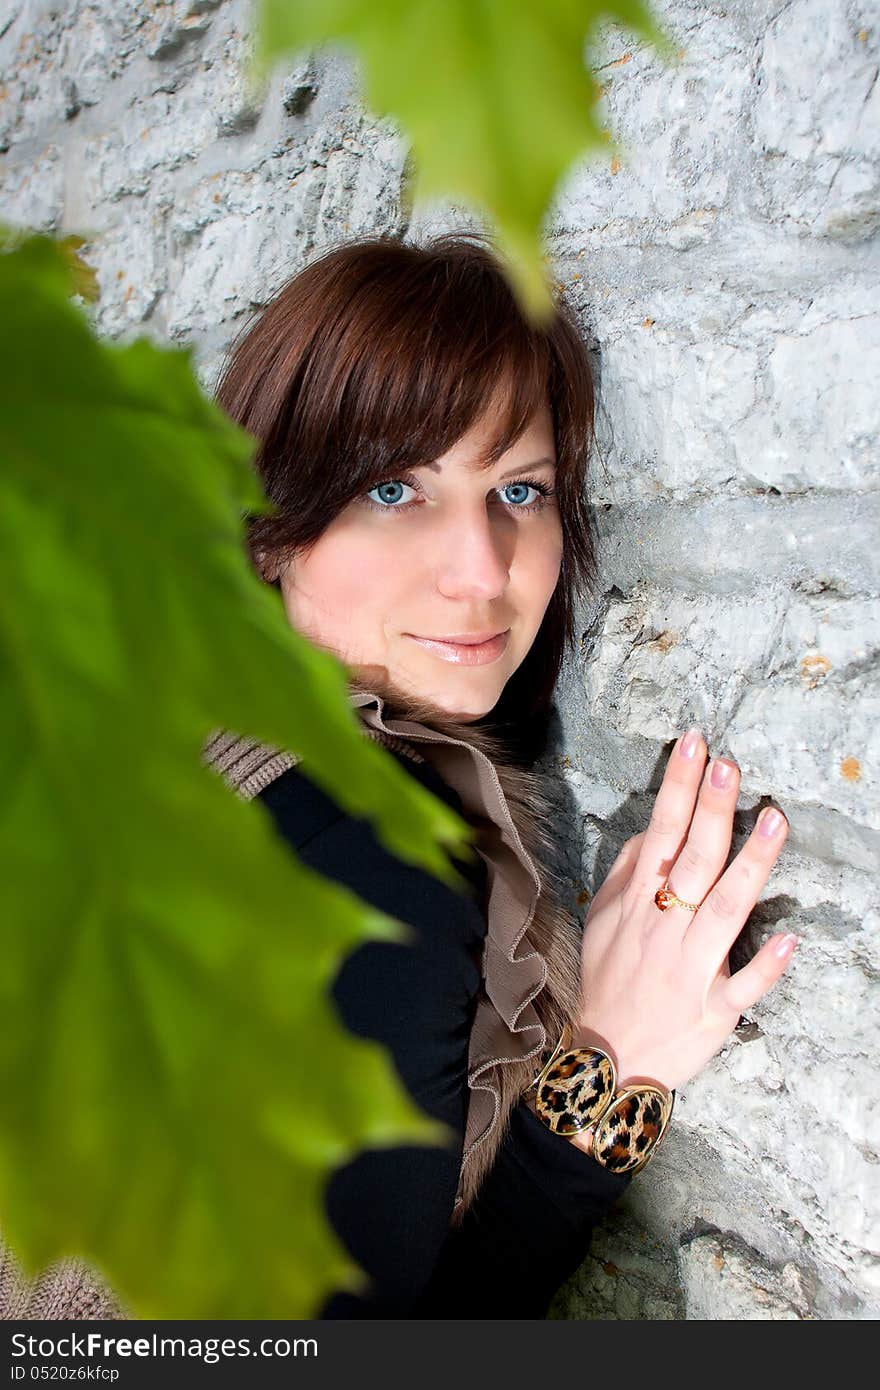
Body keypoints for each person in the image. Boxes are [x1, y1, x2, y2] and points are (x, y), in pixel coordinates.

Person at [207, 229, 797, 1318]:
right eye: (392, 489)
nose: (480, 572)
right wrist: (602, 1084)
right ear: (270, 529)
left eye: (520, 491)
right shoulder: (371, 870)